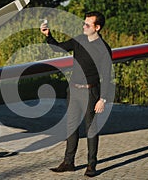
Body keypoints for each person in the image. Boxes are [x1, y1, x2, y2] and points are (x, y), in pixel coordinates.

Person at [40, 11, 112, 177]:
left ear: (97, 27)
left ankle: (91, 165)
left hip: (91, 91)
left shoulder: (104, 48)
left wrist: (103, 99)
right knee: (71, 126)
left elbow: (108, 76)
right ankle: (68, 162)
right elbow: (58, 48)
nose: (84, 26)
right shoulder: (79, 40)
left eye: (88, 24)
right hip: (73, 90)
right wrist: (48, 35)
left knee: (91, 129)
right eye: (84, 23)